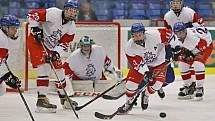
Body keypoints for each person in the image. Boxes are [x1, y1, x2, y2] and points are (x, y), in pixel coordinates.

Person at [27, 0, 79, 113]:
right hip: (37, 42)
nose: (72, 13)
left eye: (74, 11)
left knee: (60, 70)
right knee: (45, 68)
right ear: (65, 10)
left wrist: (56, 52)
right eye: (70, 10)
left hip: (51, 47)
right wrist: (35, 28)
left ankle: (64, 98)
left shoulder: (72, 27)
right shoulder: (53, 13)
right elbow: (32, 14)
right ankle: (41, 100)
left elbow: (64, 44)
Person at [118, 23, 180, 114]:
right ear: (132, 35)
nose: (138, 37)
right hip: (143, 65)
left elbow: (170, 35)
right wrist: (146, 72)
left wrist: (176, 48)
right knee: (130, 85)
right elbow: (137, 64)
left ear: (144, 33)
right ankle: (128, 103)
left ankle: (146, 94)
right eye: (135, 36)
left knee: (158, 84)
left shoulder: (155, 35)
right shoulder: (129, 47)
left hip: (158, 63)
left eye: (140, 35)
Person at [163, 0, 204, 98]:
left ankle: (198, 86)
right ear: (170, 4)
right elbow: (168, 33)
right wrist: (174, 47)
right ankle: (190, 85)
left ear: (182, 3)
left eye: (177, 2)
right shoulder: (168, 16)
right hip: (179, 43)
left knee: (195, 63)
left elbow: (200, 28)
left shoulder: (189, 12)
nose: (176, 5)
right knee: (183, 64)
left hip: (193, 42)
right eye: (173, 3)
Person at [173, 22, 213, 100]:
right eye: (176, 33)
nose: (178, 35)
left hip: (206, 46)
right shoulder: (175, 37)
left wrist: (191, 54)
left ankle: (199, 88)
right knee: (182, 65)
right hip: (194, 46)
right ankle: (189, 86)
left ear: (185, 31)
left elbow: (203, 44)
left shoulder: (192, 37)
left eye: (180, 32)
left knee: (198, 64)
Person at [0, 15, 21, 96]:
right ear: (5, 28)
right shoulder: (2, 41)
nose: (15, 30)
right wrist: (7, 77)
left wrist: (8, 76)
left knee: (1, 88)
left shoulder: (3, 36)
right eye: (13, 28)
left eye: (16, 28)